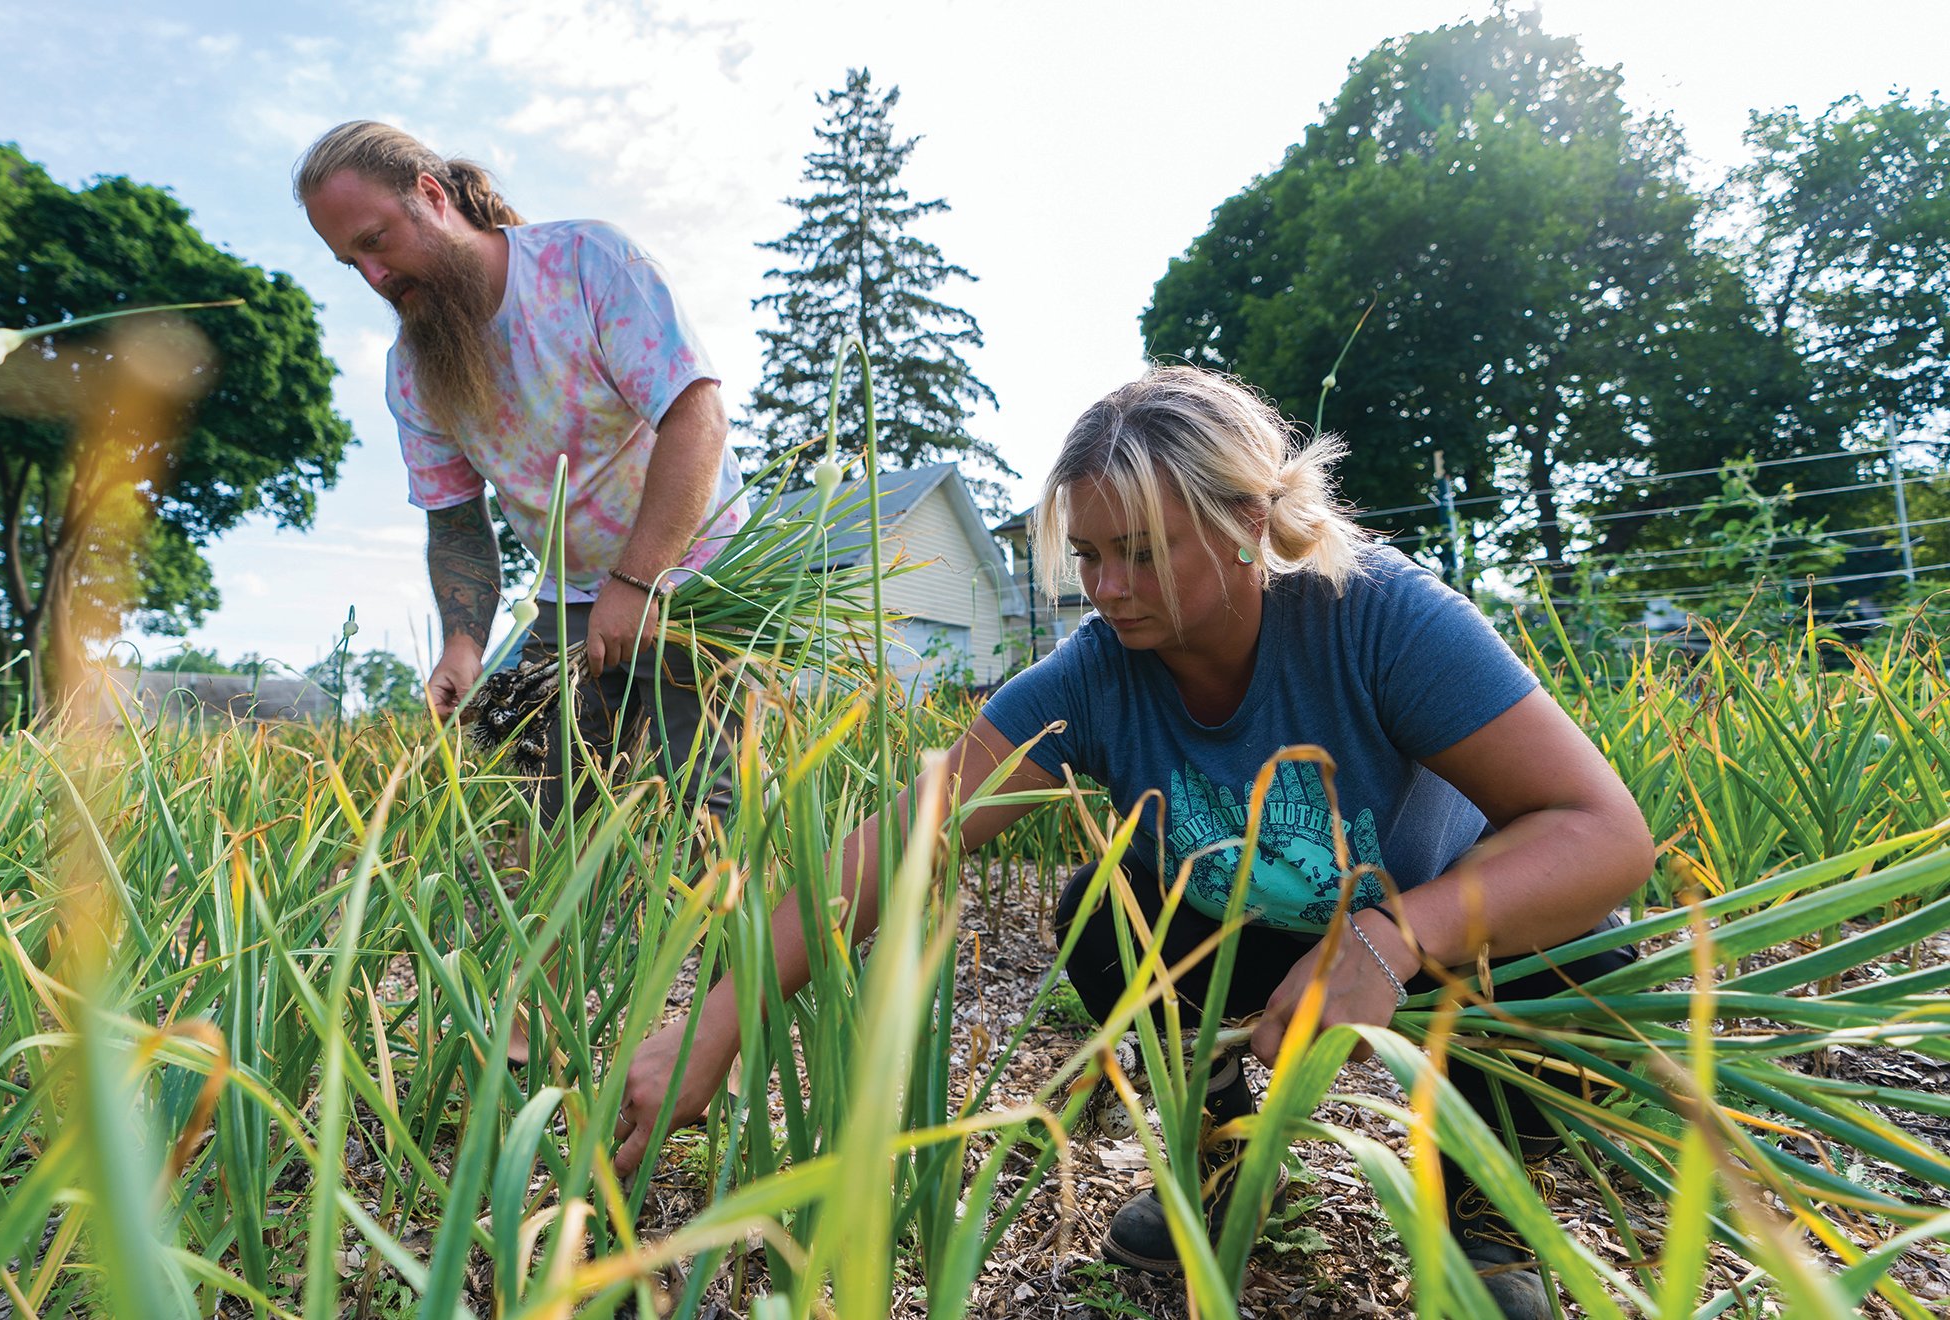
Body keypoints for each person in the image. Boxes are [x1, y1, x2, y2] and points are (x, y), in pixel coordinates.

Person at [611, 367, 1655, 1319]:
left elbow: (1602, 834)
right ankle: (1225, 1155)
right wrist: (723, 1014)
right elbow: (907, 833)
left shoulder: (1376, 618)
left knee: (1591, 953)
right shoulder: (1095, 675)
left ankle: (1478, 1203)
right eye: (1092, 556)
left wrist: (1392, 939)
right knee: (1102, 919)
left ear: (1247, 520)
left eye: (1142, 554)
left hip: (1450, 932)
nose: (1105, 591)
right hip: (1251, 927)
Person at [294, 120, 748, 819]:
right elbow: (456, 522)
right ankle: (582, 932)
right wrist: (463, 642)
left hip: (693, 571)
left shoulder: (586, 262)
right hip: (569, 598)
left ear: (430, 195)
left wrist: (639, 577)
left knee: (701, 805)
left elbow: (696, 418)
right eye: (351, 262)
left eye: (376, 240)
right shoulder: (414, 370)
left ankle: (715, 926)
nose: (375, 276)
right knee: (553, 799)